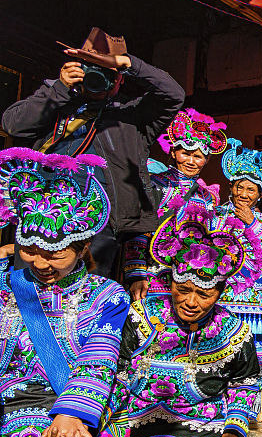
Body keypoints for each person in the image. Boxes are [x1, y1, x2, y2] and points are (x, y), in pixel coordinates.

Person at [0, 148, 130, 437]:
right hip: (6, 429)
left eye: (54, 253)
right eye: (31, 250)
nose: (40, 263)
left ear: (82, 247)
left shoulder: (105, 296)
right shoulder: (4, 290)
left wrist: (74, 414)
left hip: (67, 431)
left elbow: (100, 357)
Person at [118, 199, 262, 437]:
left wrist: (234, 432)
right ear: (169, 281)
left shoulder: (233, 330)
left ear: (221, 291)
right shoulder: (142, 318)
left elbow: (246, 382)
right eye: (183, 289)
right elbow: (116, 371)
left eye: (205, 293)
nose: (192, 302)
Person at [1, 28, 185, 276]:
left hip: (98, 228)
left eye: (108, 73)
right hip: (39, 218)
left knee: (88, 300)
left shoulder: (133, 119)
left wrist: (126, 63)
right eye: (91, 68)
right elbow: (12, 124)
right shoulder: (56, 103)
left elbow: (174, 94)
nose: (98, 77)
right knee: (30, 297)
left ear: (120, 79)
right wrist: (60, 88)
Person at [123, 108, 226, 299]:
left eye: (198, 156)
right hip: (153, 275)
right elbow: (139, 227)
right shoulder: (154, 184)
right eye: (186, 153)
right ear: (173, 151)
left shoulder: (205, 196)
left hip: (190, 280)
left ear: (206, 160)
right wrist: (136, 273)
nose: (191, 161)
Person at [215, 137, 262, 373]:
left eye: (251, 189)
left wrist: (251, 224)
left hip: (253, 299)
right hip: (219, 292)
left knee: (250, 361)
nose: (244, 194)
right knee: (216, 351)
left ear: (259, 194)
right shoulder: (215, 216)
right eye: (240, 186)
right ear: (231, 187)